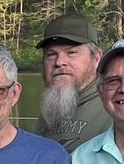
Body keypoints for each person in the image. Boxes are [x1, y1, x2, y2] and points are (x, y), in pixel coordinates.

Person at [24, 12, 109, 152]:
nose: (59, 62)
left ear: (97, 58)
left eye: (71, 53)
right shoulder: (53, 106)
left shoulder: (114, 108)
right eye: (51, 55)